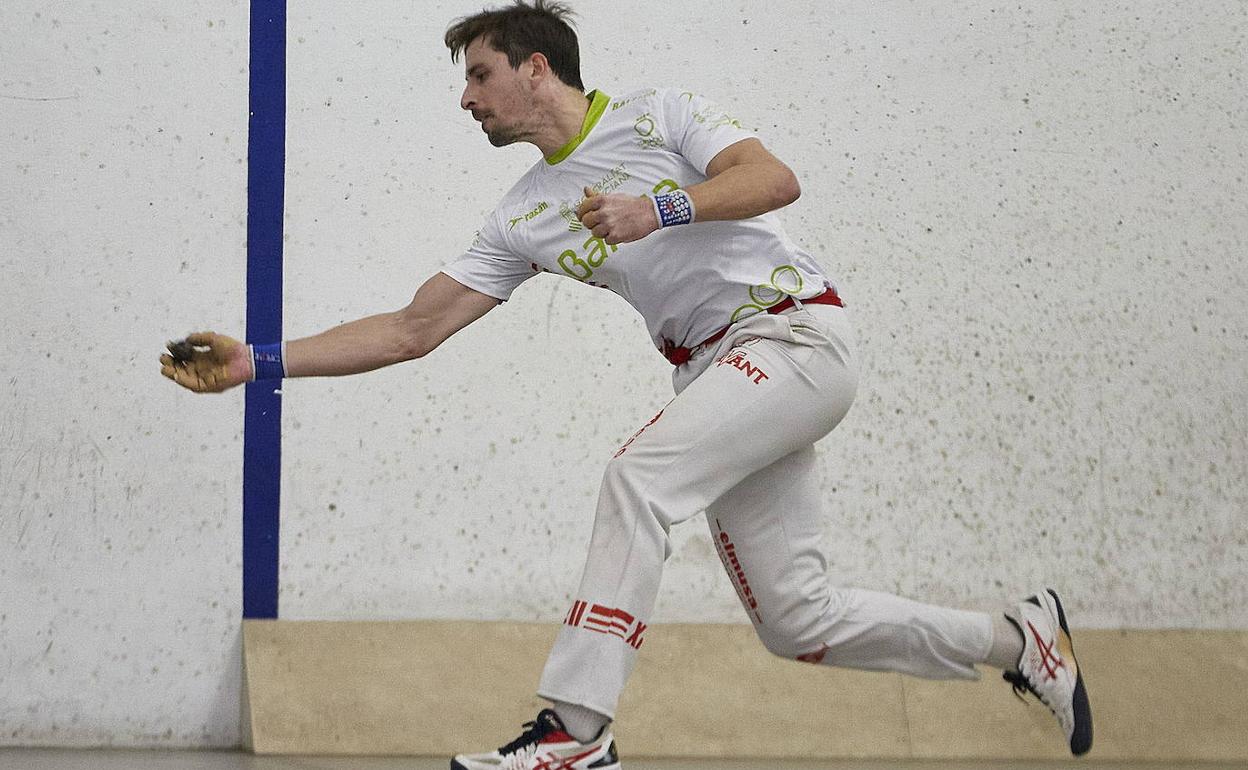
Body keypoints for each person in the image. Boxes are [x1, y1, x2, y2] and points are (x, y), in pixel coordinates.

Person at [160, 2, 1093, 767]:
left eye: (478, 75)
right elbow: (413, 329)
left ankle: (573, 731)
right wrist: (259, 362)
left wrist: (660, 207)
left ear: (535, 68)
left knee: (638, 478)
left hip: (797, 335)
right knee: (797, 620)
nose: (465, 100)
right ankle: (1021, 642)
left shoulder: (661, 114)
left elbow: (773, 179)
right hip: (725, 377)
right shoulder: (523, 214)